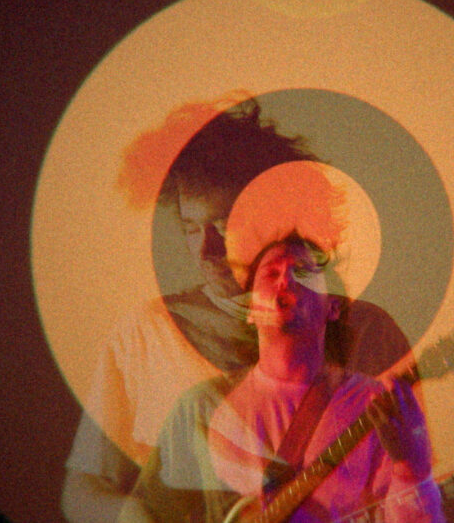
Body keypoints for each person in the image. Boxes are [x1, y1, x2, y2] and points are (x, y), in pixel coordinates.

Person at [61, 97, 412, 522]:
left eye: (224, 224)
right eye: (191, 227)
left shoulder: (369, 332)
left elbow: (412, 484)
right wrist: (136, 516)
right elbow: (82, 492)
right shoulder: (145, 333)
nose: (204, 249)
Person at [132, 231, 445, 522]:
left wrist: (412, 470)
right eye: (271, 273)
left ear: (332, 307)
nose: (285, 280)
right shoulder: (201, 406)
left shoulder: (373, 405)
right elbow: (143, 513)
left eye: (304, 272)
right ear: (250, 310)